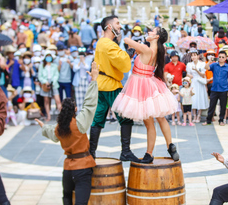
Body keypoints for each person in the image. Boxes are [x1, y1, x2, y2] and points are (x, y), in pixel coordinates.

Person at [36, 61, 99, 205]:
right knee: (80, 204)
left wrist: (43, 127)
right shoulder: (79, 123)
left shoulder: (59, 128)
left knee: (66, 195)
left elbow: (51, 133)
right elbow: (90, 105)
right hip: (83, 167)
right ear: (75, 110)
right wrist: (93, 80)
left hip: (68, 169)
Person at [112, 26, 179, 163]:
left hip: (140, 86)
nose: (149, 32)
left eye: (152, 31)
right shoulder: (156, 50)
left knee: (149, 124)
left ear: (156, 37)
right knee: (161, 118)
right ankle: (170, 145)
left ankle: (149, 154)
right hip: (150, 84)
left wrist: (134, 39)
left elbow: (125, 39)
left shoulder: (147, 49)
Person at [89, 16, 140, 162]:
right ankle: (125, 151)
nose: (120, 26)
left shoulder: (102, 42)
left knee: (97, 120)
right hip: (111, 85)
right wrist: (129, 54)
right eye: (117, 23)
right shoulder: (108, 44)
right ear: (109, 27)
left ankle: (91, 153)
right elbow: (124, 65)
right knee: (125, 118)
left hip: (101, 85)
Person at [203, 51, 228, 126]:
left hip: (224, 89)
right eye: (220, 57)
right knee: (212, 105)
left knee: (223, 106)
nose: (221, 58)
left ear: (226, 58)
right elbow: (206, 67)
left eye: (223, 57)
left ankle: (221, 120)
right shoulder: (214, 65)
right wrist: (210, 61)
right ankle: (208, 120)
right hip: (214, 89)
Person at [186, 50, 209, 123]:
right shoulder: (189, 64)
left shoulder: (202, 64)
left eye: (195, 55)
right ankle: (194, 115)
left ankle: (199, 115)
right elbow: (187, 74)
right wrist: (190, 75)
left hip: (200, 82)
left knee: (200, 98)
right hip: (193, 82)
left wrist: (196, 70)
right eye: (192, 55)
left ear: (198, 56)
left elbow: (203, 75)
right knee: (193, 98)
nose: (193, 57)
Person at [38, 53, 62, 121]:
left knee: (58, 100)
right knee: (46, 100)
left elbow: (56, 75)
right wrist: (45, 82)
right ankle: (48, 116)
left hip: (54, 84)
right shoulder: (42, 66)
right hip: (45, 84)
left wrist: (53, 82)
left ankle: (61, 115)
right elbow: (40, 76)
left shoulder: (54, 66)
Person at [73, 49, 92, 113]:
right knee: (78, 98)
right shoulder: (76, 61)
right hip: (78, 81)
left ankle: (86, 113)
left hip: (86, 81)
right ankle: (79, 113)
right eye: (80, 57)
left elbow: (88, 68)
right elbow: (75, 69)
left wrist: (83, 62)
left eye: (82, 56)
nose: (81, 58)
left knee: (86, 97)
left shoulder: (88, 60)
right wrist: (79, 62)